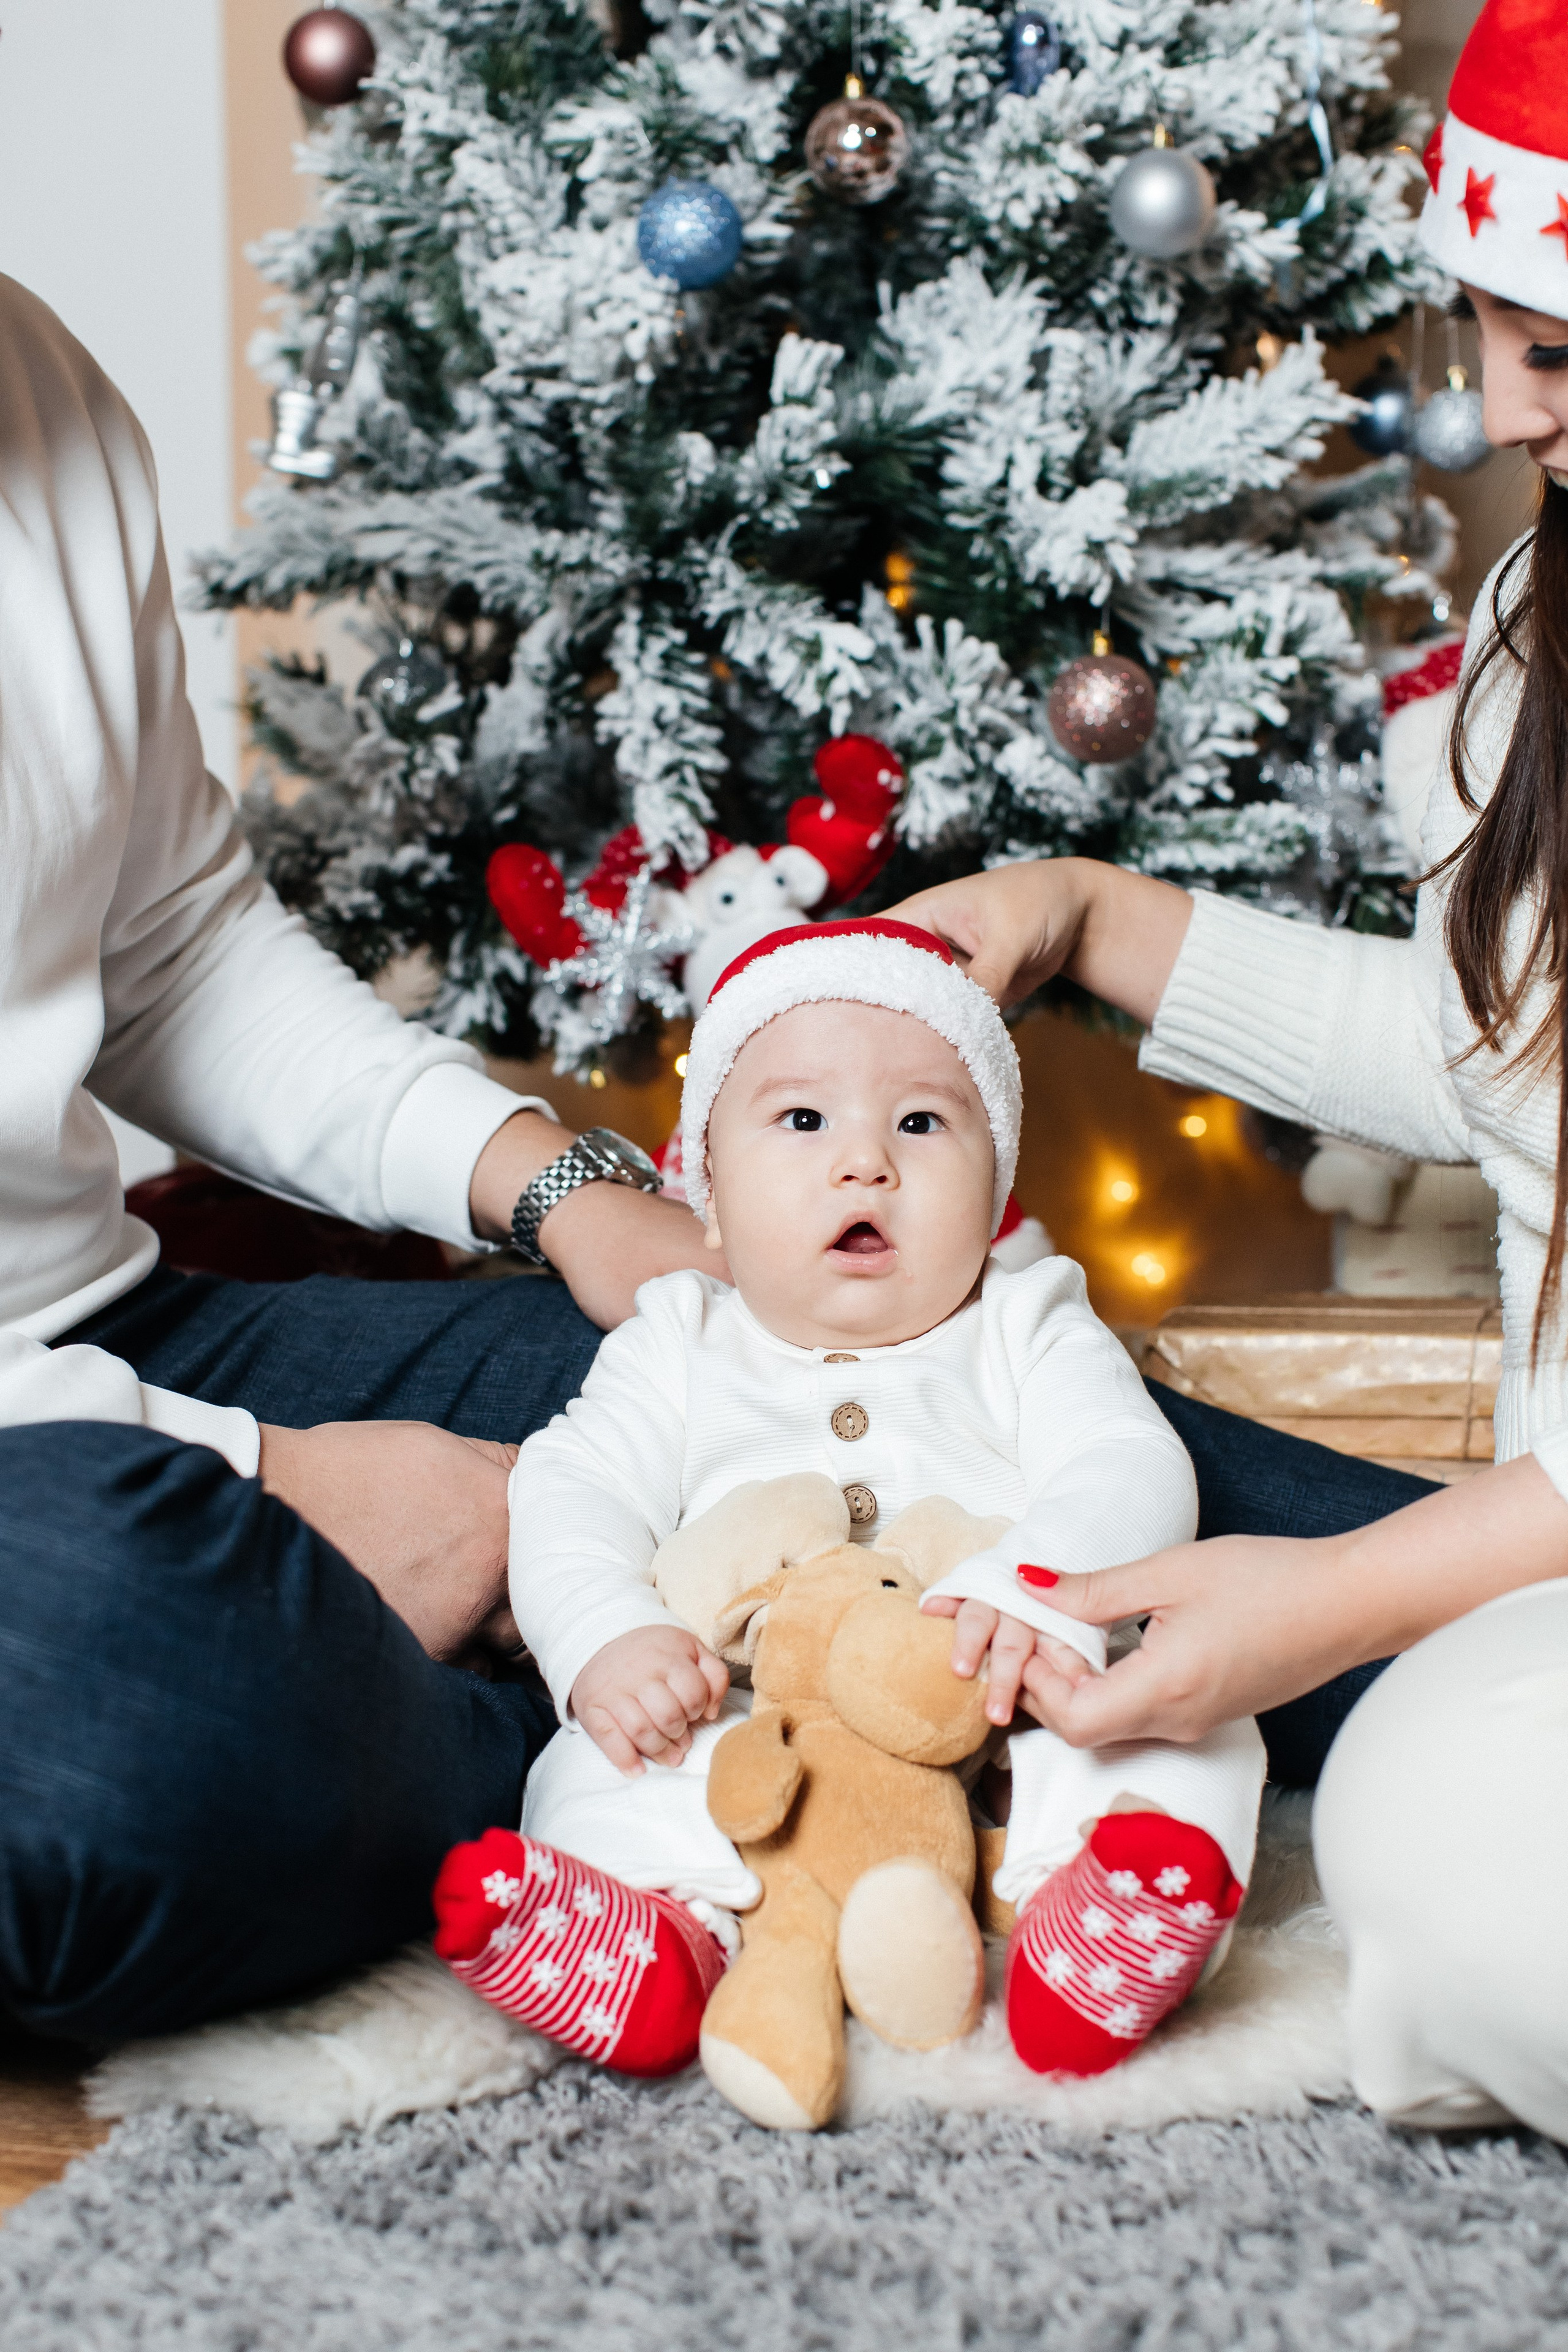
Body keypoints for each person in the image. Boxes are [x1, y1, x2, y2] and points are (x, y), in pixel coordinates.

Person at [884, 0, 1568, 2142]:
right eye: (1549, 352)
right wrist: (1084, 917)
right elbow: (1501, 1066)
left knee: (1441, 1864)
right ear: (1473, 323)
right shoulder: (1517, 670)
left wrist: (1340, 1603)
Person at [0, 272, 723, 2046]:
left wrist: (559, 1186)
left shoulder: (39, 389)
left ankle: (1478, 1622)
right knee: (112, 1711)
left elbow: (165, 944)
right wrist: (292, 1484)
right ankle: (675, 1784)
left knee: (816, 1371)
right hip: (79, 1521)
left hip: (116, 1340)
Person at [431, 918, 1267, 2095]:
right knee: (597, 1765)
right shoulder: (679, 1337)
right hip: (743, 1717)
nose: (865, 1162)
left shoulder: (1030, 1322)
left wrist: (1039, 1596)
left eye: (922, 1123)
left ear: (997, 1193)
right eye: (804, 1120)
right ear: (709, 1196)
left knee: (1195, 1726)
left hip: (1005, 1687)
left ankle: (1099, 1916)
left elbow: (1126, 1462)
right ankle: (657, 1940)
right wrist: (606, 1639)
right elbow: (575, 1489)